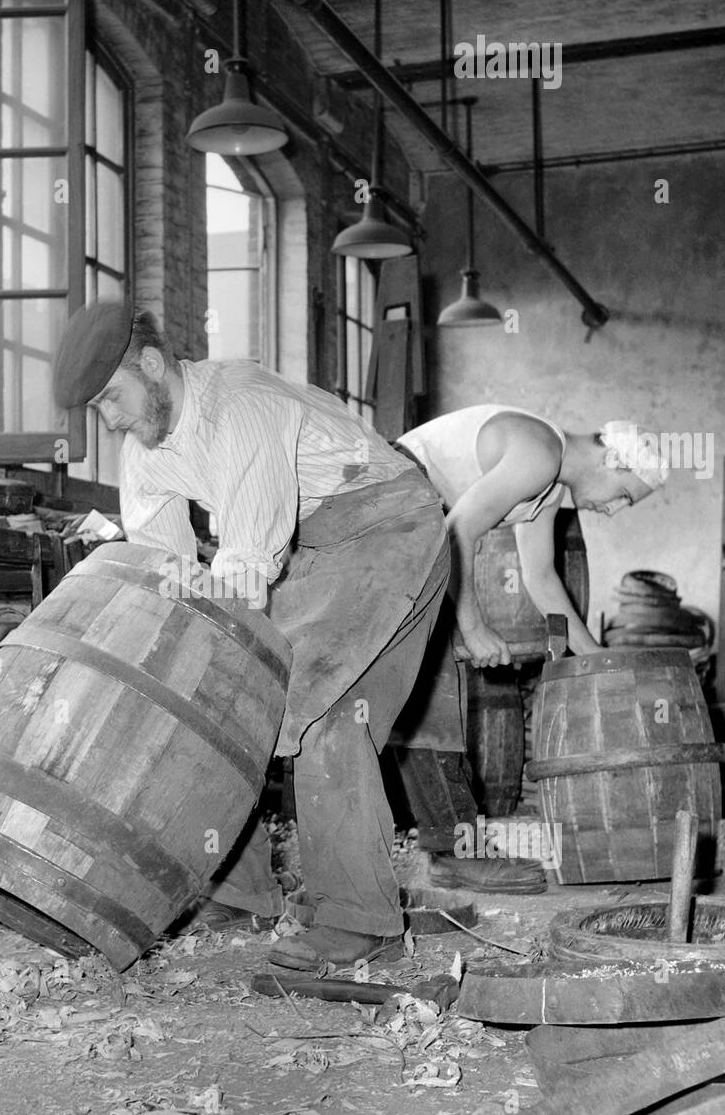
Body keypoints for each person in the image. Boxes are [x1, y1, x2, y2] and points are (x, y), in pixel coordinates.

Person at [53, 301, 450, 973]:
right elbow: (168, 572)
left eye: (112, 397)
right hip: (317, 549)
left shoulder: (240, 403)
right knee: (226, 710)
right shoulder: (145, 450)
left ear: (151, 366)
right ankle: (241, 894)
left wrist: (217, 662)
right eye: (99, 410)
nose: (111, 418)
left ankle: (359, 919)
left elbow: (244, 564)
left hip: (391, 527)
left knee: (321, 715)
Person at [389, 405, 669, 893]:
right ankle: (457, 853)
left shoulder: (550, 484)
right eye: (623, 496)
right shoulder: (540, 452)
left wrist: (598, 658)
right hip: (389, 492)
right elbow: (456, 532)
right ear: (615, 462)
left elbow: (540, 578)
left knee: (414, 681)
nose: (611, 509)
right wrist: (473, 629)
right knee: (433, 672)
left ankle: (446, 849)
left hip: (407, 509)